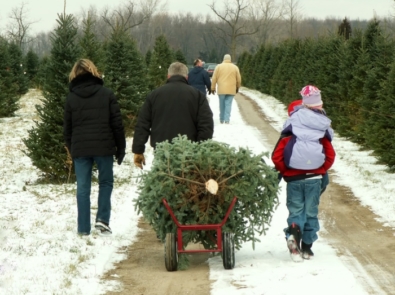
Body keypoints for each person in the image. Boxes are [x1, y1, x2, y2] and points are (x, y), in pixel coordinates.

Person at [272, 85, 336, 260]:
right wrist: (322, 169)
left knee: (296, 211)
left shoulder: (291, 127)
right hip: (315, 178)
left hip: (294, 179)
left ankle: (293, 237)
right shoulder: (320, 129)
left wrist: (286, 171)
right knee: (310, 212)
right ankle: (307, 248)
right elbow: (330, 154)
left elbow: (277, 156)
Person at [63, 59, 126, 236]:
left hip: (81, 149)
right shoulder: (106, 94)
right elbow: (117, 124)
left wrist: (72, 147)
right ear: (93, 71)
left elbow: (67, 128)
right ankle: (102, 220)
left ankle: (83, 228)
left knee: (83, 188)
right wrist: (120, 148)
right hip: (104, 147)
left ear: (74, 74)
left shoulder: (71, 98)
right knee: (105, 182)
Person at [132, 62, 214, 169]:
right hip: (189, 152)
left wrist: (138, 150)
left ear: (168, 76)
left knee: (162, 181)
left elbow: (143, 124)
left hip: (162, 150)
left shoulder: (154, 95)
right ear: (187, 77)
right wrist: (200, 149)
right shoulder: (197, 96)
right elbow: (206, 125)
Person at [210, 54, 241, 124]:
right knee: (228, 104)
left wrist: (213, 88)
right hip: (231, 89)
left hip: (221, 89)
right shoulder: (235, 67)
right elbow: (238, 79)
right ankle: (227, 119)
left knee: (221, 104)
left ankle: (221, 119)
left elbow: (214, 78)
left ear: (223, 59)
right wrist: (237, 87)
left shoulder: (218, 67)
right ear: (230, 59)